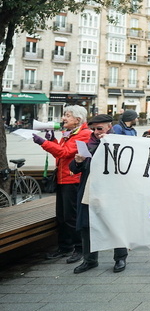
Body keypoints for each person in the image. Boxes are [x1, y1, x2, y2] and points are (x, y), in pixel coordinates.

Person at [32, 105, 92, 263]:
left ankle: (79, 248)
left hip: (73, 179)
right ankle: (64, 247)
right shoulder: (70, 134)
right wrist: (52, 140)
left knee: (72, 216)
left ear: (77, 120)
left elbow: (64, 153)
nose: (63, 118)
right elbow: (61, 151)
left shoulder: (85, 134)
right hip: (63, 178)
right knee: (62, 216)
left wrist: (43, 142)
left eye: (67, 115)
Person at [70, 114, 128, 274]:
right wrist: (78, 161)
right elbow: (74, 168)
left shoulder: (119, 143)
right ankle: (90, 260)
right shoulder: (88, 144)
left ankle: (120, 258)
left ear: (110, 127)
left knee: (115, 224)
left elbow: (126, 165)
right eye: (93, 129)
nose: (95, 132)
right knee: (86, 226)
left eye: (99, 128)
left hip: (112, 192)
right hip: (90, 191)